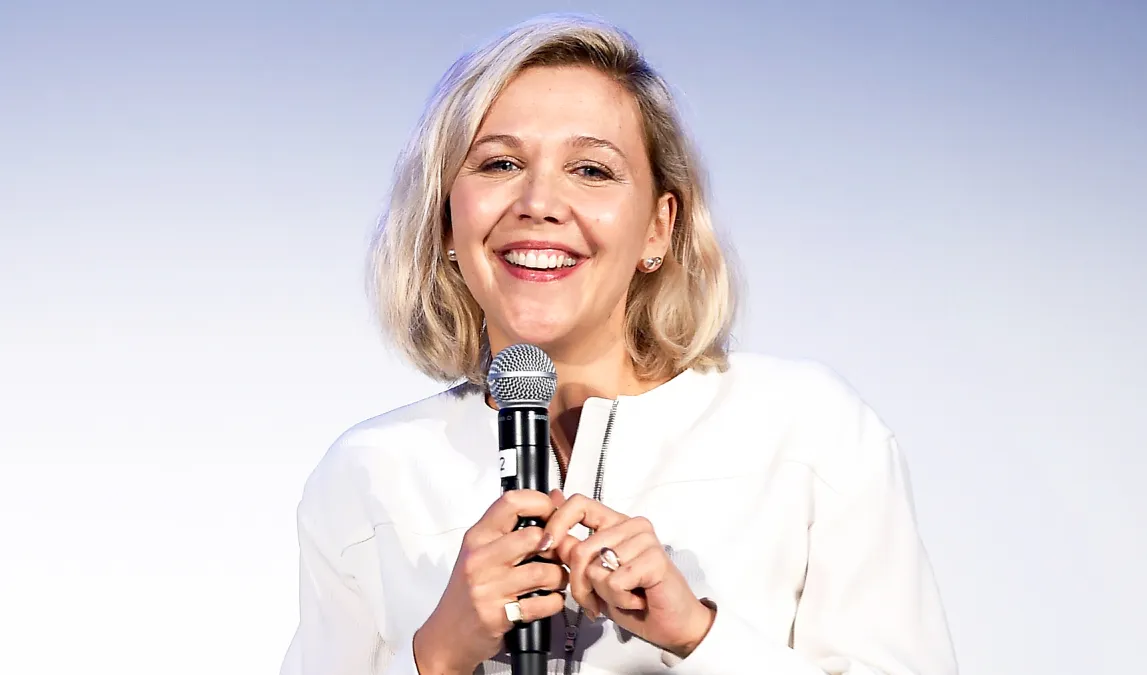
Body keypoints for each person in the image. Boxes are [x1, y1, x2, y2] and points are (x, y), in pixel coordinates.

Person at [280, 13, 957, 675]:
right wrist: (438, 655)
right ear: (446, 221)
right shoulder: (369, 473)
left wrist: (699, 634)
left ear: (660, 227)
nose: (539, 200)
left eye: (593, 171)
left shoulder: (808, 430)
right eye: (500, 163)